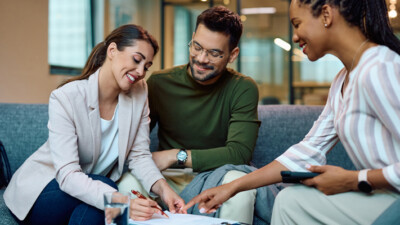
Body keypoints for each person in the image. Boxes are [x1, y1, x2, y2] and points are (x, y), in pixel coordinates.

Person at [184, 0, 400, 224]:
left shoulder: (379, 68)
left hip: (393, 201)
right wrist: (231, 187)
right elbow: (306, 152)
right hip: (384, 196)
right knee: (290, 200)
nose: (295, 36)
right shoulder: (342, 80)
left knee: (292, 204)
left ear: (326, 14)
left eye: (297, 24)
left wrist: (354, 180)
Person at [4, 24, 184, 225]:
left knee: (100, 207)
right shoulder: (66, 97)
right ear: (112, 51)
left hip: (90, 194)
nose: (141, 71)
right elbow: (68, 176)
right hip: (43, 192)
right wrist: (122, 202)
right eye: (137, 59)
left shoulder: (139, 92)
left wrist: (163, 188)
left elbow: (139, 155)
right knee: (110, 194)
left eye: (147, 66)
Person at [117, 6, 270, 224]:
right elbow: (130, 140)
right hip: (167, 178)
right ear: (192, 39)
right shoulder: (160, 83)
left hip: (217, 176)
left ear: (232, 55)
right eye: (196, 46)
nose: (201, 58)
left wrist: (174, 155)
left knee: (241, 188)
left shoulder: (243, 88)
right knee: (127, 185)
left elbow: (239, 154)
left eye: (214, 53)